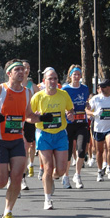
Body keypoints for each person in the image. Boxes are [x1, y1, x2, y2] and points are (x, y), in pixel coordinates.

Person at [0, 59, 48, 218]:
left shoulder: (26, 93)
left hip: (17, 139)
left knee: (16, 177)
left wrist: (41, 118)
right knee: (1, 181)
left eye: (23, 70)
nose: (21, 72)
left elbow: (28, 115)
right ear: (9, 73)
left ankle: (7, 214)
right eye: (17, 69)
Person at [30, 67, 75, 210]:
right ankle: (47, 199)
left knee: (61, 170)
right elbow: (28, 116)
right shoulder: (38, 97)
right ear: (44, 81)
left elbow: (70, 110)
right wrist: (36, 116)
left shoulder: (63, 95)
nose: (53, 81)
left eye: (55, 78)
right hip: (44, 134)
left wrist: (70, 115)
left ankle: (51, 179)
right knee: (48, 167)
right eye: (50, 78)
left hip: (60, 133)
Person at [87, 78, 110, 184]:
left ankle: (109, 167)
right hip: (98, 128)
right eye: (100, 87)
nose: (101, 88)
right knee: (99, 151)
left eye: (103, 87)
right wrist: (94, 114)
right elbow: (87, 110)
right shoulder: (96, 99)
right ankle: (100, 170)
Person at [61, 64, 89, 189]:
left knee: (82, 149)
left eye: (78, 74)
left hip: (82, 122)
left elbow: (85, 101)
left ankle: (77, 175)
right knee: (67, 151)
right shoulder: (65, 89)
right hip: (69, 123)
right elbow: (61, 104)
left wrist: (87, 105)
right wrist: (67, 111)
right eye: (74, 74)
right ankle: (65, 176)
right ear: (70, 76)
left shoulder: (85, 88)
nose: (77, 77)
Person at [21, 60, 40, 189]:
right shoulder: (12, 86)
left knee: (29, 145)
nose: (26, 70)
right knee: (21, 147)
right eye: (23, 67)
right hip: (16, 120)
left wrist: (39, 112)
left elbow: (41, 100)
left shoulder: (32, 86)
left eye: (28, 68)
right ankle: (19, 177)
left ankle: (29, 166)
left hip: (29, 119)